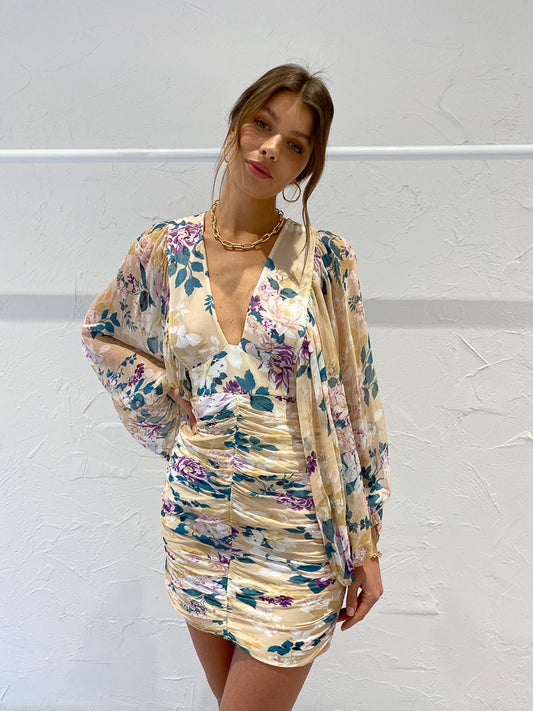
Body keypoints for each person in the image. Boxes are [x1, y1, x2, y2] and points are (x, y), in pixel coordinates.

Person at [81, 63, 390, 711]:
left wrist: (364, 542)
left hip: (297, 536)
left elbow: (355, 399)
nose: (271, 147)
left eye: (295, 144)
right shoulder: (165, 249)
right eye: (261, 124)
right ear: (236, 125)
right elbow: (105, 333)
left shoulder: (324, 260)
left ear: (303, 169)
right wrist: (169, 409)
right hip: (197, 522)